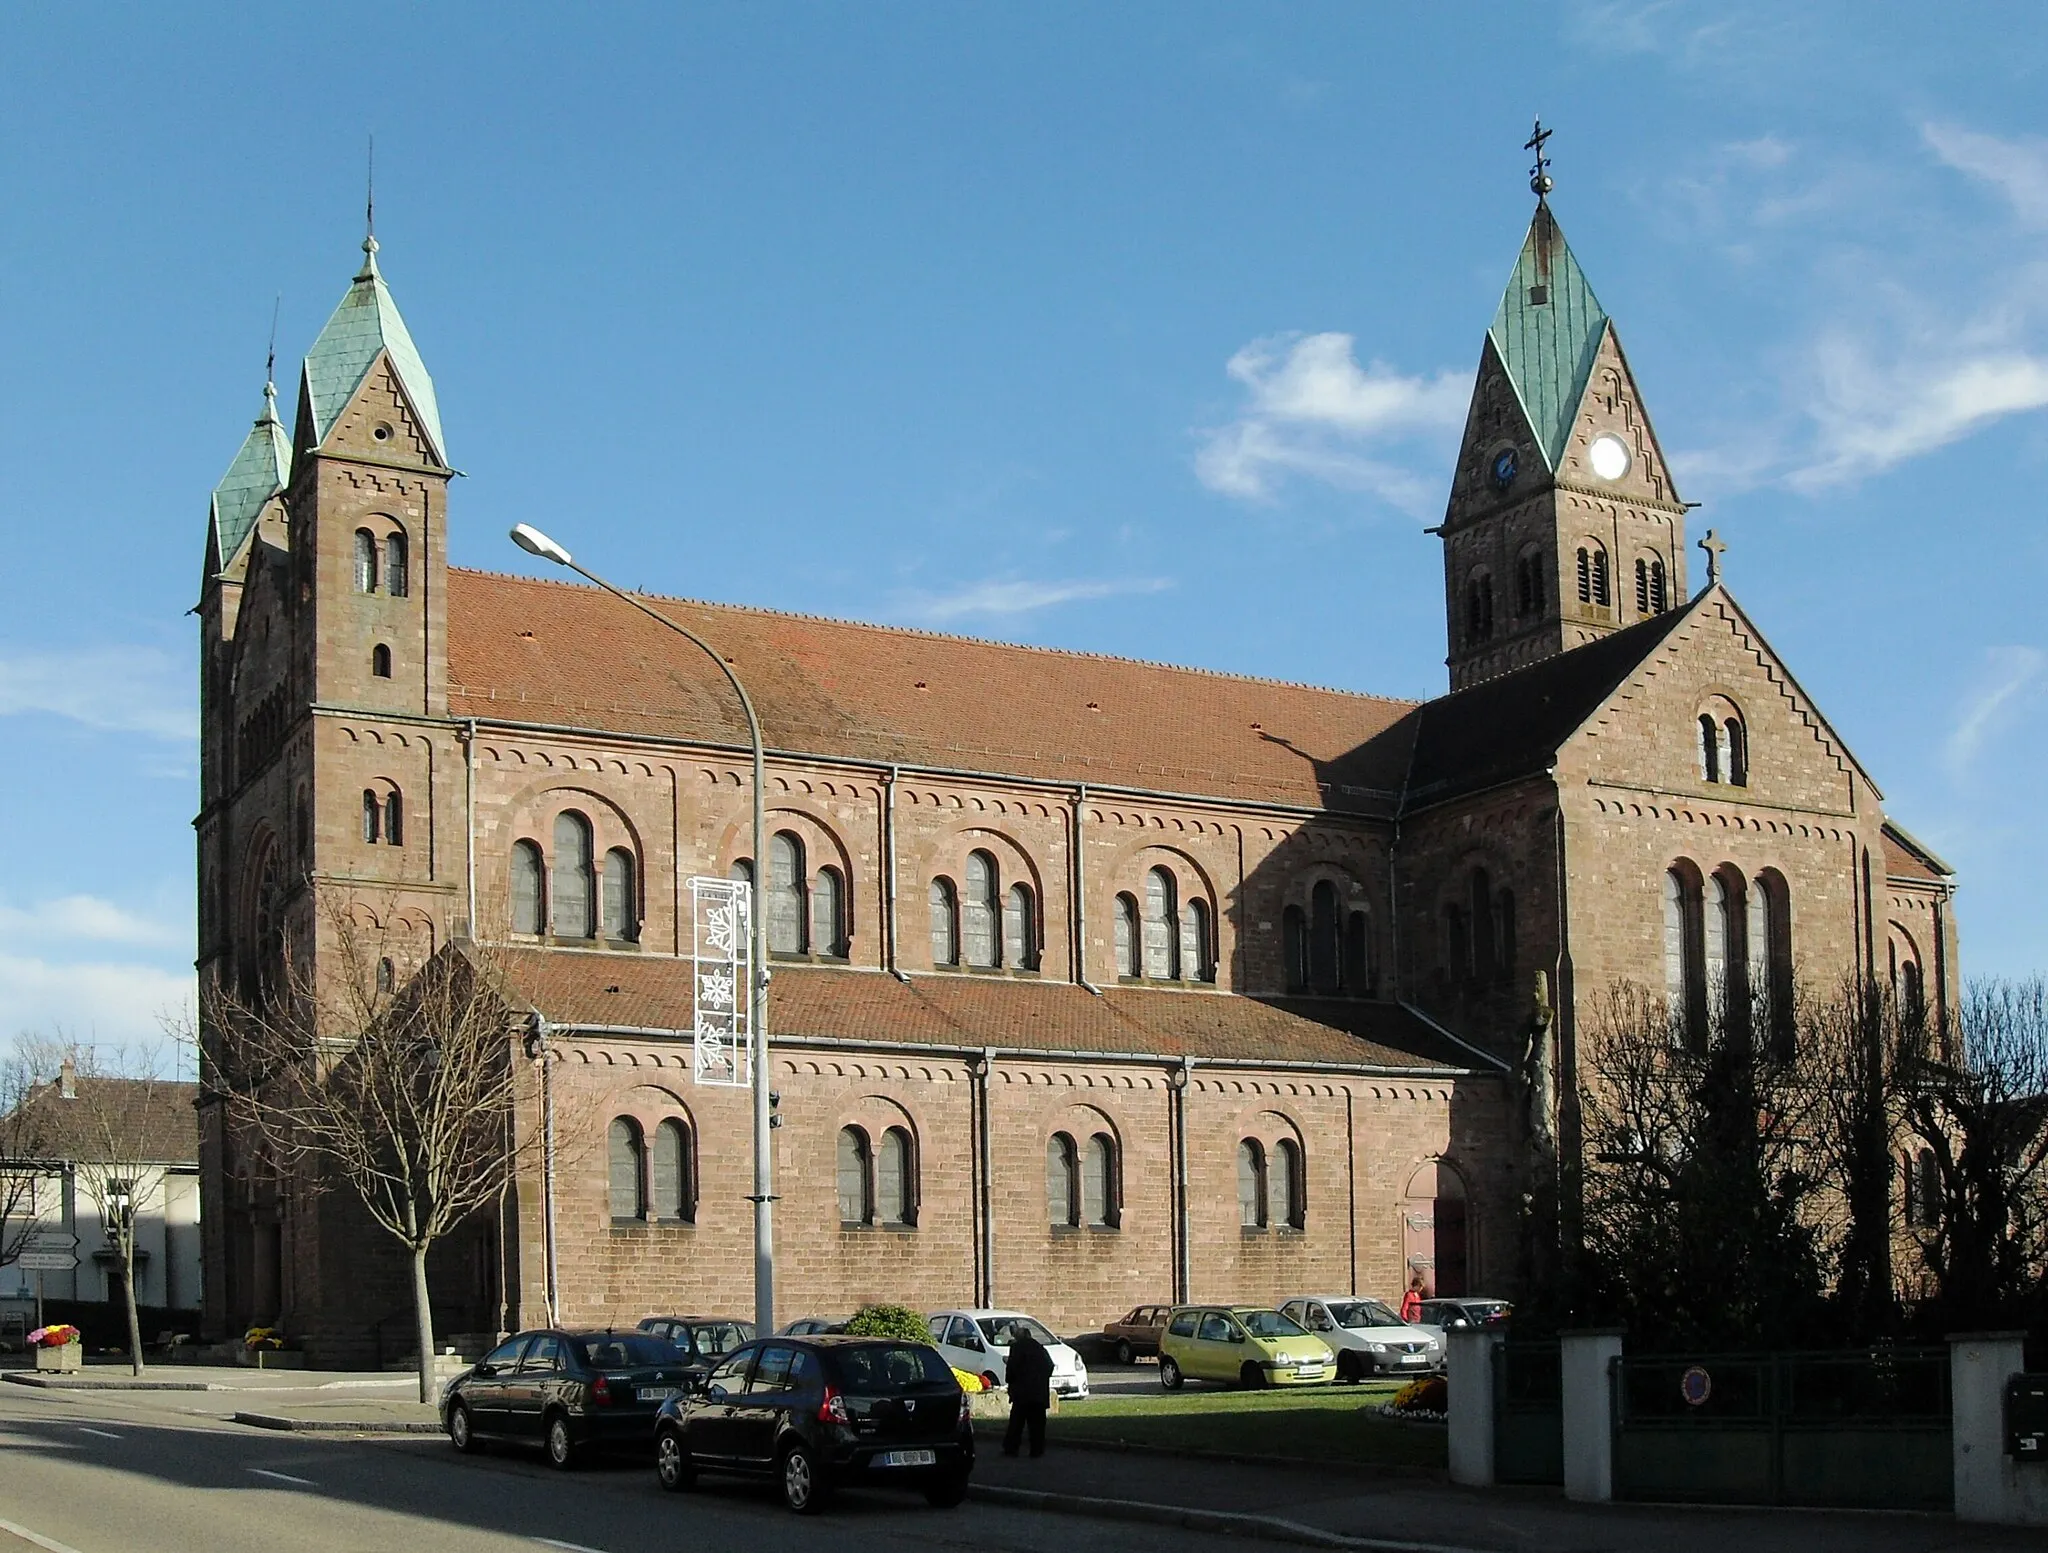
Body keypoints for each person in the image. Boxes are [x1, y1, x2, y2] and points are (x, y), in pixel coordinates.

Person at [1001, 1325, 1054, 1458]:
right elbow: (1049, 1366)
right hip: (1039, 1392)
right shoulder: (1039, 1348)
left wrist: (1012, 1382)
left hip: (1022, 1393)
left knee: (1017, 1423)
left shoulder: (1017, 1348)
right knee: (1037, 1424)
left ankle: (1011, 1449)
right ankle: (1037, 1449)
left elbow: (1011, 1370)